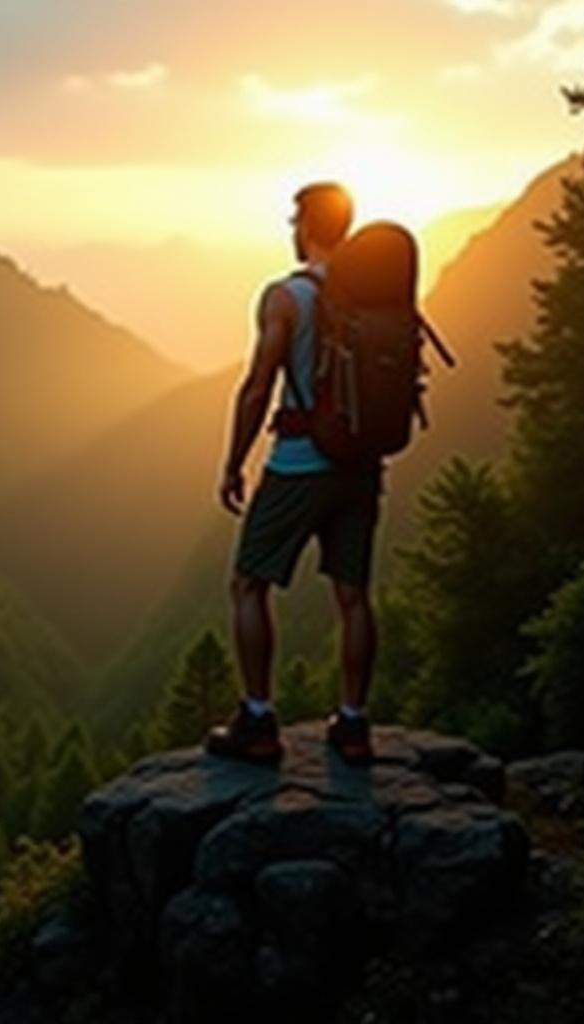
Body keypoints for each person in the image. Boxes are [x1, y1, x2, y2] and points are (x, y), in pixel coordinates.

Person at [207, 181, 380, 765]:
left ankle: (258, 719)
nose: (290, 227)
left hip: (300, 464)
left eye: (294, 219)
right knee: (354, 597)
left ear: (306, 224)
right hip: (360, 465)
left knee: (248, 584)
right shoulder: (373, 291)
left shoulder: (286, 297)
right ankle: (353, 724)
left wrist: (234, 462)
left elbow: (259, 385)